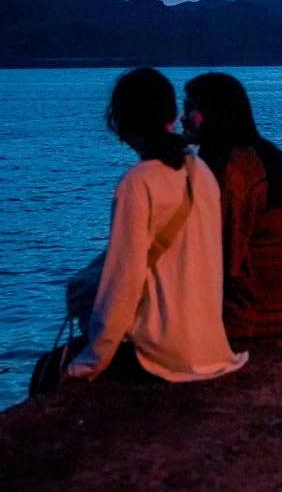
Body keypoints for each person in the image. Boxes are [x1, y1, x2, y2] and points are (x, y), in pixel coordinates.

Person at [67, 67, 246, 383]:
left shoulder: (137, 183)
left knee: (83, 289)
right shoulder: (199, 169)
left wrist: (91, 361)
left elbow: (125, 282)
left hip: (167, 355)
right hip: (211, 346)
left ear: (121, 122)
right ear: (171, 115)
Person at [183, 72, 282, 339]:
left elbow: (223, 257)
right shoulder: (268, 156)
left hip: (261, 318)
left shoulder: (233, 169)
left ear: (214, 113)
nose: (183, 117)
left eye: (191, 107)